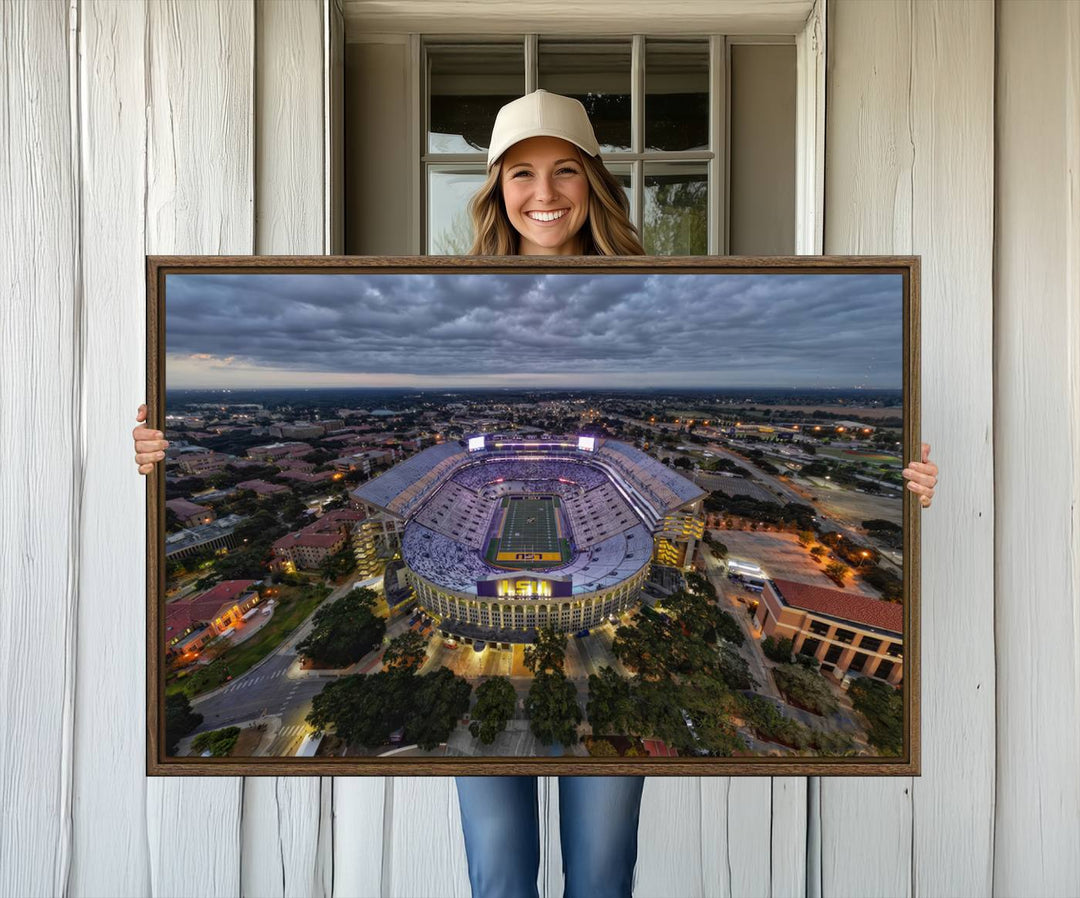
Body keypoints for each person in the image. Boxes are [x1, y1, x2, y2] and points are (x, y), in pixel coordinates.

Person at [131, 90, 939, 898]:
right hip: (497, 554)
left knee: (601, 871)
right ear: (495, 188)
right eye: (521, 173)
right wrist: (160, 448)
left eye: (564, 172)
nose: (544, 194)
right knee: (499, 871)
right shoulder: (451, 286)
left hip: (560, 546)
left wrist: (909, 478)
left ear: (593, 183)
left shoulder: (653, 286)